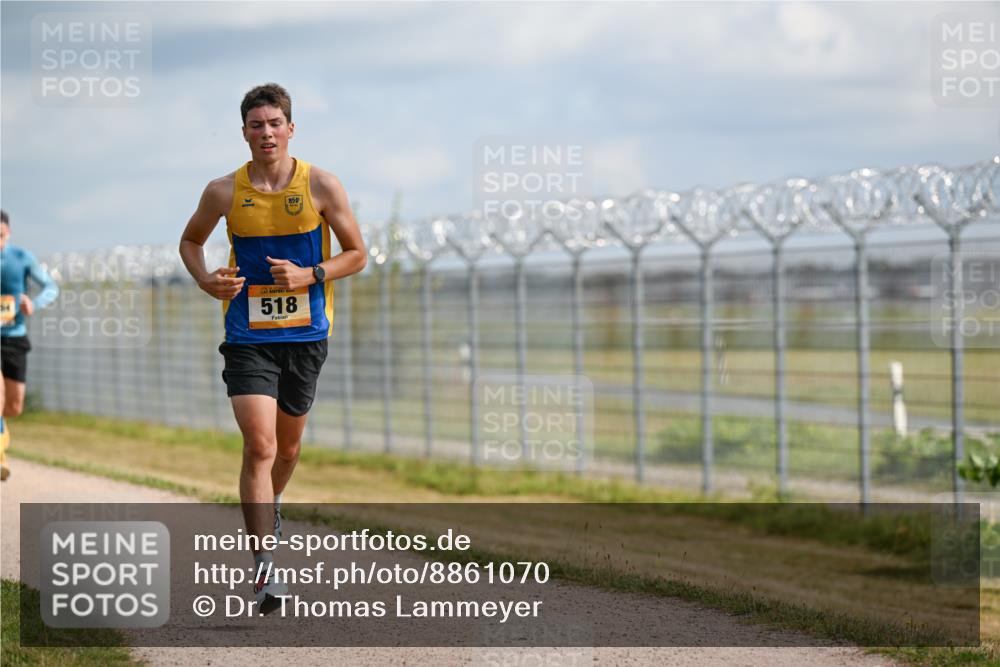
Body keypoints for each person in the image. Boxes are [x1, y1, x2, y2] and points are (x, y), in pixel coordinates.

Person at [179, 83, 367, 613]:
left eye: (274, 123)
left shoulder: (321, 185)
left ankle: (273, 503)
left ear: (290, 128)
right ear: (243, 132)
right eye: (256, 125)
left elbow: (357, 255)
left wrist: (311, 273)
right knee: (260, 447)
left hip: (306, 338)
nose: (266, 132)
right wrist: (205, 280)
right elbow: (190, 241)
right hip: (247, 338)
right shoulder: (223, 192)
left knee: (286, 451)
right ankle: (264, 570)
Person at [0, 209, 60, 481]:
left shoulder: (21, 258)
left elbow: (51, 287)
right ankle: (1, 455)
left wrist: (32, 304)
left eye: (0, 236)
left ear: (8, 233)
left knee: (13, 406)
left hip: (15, 337)